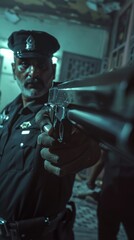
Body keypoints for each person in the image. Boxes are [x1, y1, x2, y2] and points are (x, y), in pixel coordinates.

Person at [0, 29, 101, 240]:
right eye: (24, 65)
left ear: (52, 70)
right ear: (13, 69)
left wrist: (87, 147)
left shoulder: (61, 114)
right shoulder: (8, 112)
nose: (33, 73)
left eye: (41, 66)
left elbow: (82, 138)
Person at [97, 150, 134, 240]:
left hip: (110, 192)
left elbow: (102, 159)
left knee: (106, 233)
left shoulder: (114, 138)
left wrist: (91, 180)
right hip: (128, 195)